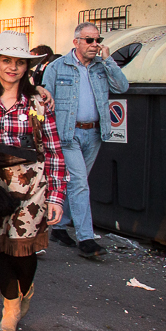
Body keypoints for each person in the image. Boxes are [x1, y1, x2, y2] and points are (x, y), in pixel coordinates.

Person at [0, 32, 67, 331]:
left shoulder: (39, 101)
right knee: (1, 247)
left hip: (34, 185)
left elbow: (54, 149)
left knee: (25, 252)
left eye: (19, 62)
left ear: (27, 67)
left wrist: (57, 196)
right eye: (6, 60)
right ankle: (10, 306)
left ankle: (25, 290)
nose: (12, 67)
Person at [42, 23, 129, 258]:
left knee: (77, 182)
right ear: (76, 42)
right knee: (79, 183)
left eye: (97, 40)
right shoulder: (57, 67)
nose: (94, 45)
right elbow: (44, 98)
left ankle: (59, 227)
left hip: (95, 133)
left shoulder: (102, 67)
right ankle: (86, 239)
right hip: (68, 134)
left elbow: (122, 86)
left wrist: (109, 61)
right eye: (89, 40)